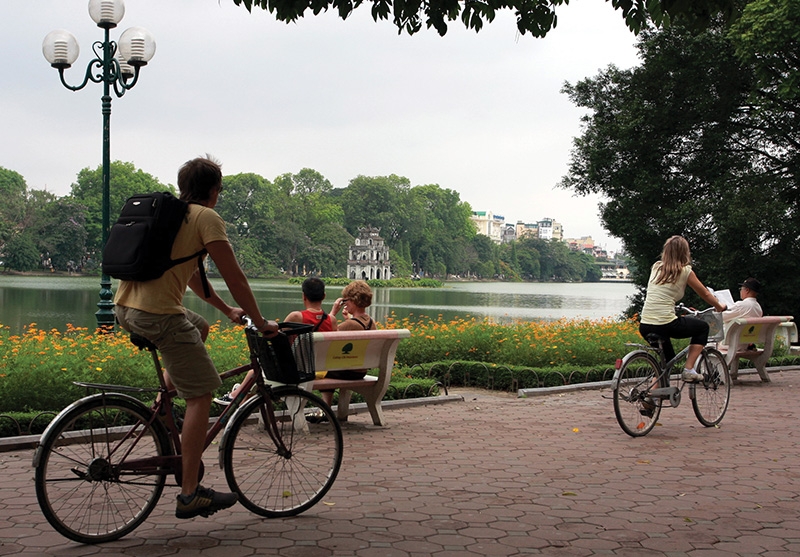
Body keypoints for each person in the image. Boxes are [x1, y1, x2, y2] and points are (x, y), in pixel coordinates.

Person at [114, 155, 279, 520]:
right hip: (158, 315)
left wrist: (227, 312)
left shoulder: (172, 215)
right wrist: (260, 320)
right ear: (215, 191)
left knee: (199, 328)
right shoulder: (206, 217)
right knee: (202, 394)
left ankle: (163, 405)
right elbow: (235, 277)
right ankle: (189, 494)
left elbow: (190, 275)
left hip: (126, 308)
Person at [215, 276, 337, 404]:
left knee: (259, 368)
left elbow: (277, 339)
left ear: (304, 296)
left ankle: (235, 395)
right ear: (324, 296)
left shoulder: (296, 316)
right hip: (323, 371)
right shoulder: (332, 320)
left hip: (300, 372)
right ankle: (238, 398)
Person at [639, 235, 727, 385]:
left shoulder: (656, 267)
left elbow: (661, 294)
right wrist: (720, 306)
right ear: (685, 252)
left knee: (667, 362)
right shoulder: (686, 271)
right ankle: (689, 370)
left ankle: (649, 398)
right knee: (702, 328)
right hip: (665, 323)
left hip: (645, 324)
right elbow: (705, 293)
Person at [319, 280, 378, 406]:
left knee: (322, 369)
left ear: (354, 300)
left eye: (346, 301)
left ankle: (325, 407)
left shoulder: (350, 324)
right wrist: (347, 319)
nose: (345, 304)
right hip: (360, 372)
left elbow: (325, 337)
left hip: (346, 372)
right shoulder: (371, 323)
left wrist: (333, 312)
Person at [722, 277, 763, 350]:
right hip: (744, 344)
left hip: (730, 343)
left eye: (741, 289)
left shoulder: (742, 305)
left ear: (747, 290)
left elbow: (722, 317)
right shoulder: (758, 308)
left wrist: (719, 307)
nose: (740, 291)